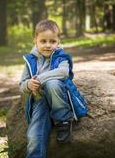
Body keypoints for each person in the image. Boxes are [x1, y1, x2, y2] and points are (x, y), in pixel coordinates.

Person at [19, 19, 87, 158]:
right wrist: (28, 85)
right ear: (35, 41)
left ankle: (63, 120)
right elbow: (22, 84)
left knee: (52, 83)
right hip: (40, 100)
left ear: (58, 42)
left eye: (52, 41)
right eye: (43, 41)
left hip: (59, 97)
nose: (48, 45)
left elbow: (63, 72)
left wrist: (41, 78)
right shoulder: (30, 60)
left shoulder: (61, 56)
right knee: (33, 135)